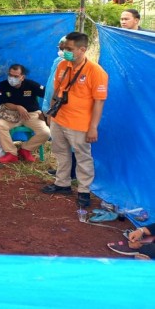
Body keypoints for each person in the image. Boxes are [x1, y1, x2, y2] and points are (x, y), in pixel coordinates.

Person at [42, 31, 108, 208]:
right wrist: (51, 114)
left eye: (69, 49)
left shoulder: (96, 71)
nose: (65, 52)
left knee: (83, 157)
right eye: (64, 48)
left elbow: (99, 102)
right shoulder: (63, 65)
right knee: (60, 152)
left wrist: (93, 127)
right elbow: (57, 91)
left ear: (82, 49)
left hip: (80, 124)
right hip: (59, 119)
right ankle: (62, 183)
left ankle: (84, 191)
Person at [0, 64, 50, 164]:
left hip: (31, 114)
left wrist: (46, 112)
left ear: (22, 77)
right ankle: (11, 153)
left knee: (45, 133)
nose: (12, 78)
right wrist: (17, 107)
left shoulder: (31, 84)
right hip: (12, 114)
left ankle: (25, 149)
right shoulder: (3, 85)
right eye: (10, 75)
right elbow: (4, 103)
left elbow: (48, 95)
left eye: (16, 76)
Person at [42, 36, 77, 179]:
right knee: (61, 143)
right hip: (55, 106)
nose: (61, 49)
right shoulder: (58, 62)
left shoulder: (77, 66)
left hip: (66, 108)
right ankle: (63, 171)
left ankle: (72, 172)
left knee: (71, 142)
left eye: (65, 46)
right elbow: (52, 87)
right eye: (60, 46)